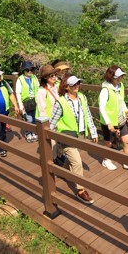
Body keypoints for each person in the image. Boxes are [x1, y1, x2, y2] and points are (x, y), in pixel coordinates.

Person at [49, 74, 98, 205]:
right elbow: (52, 122)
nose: (77, 86)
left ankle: (63, 172)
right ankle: (81, 190)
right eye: (73, 84)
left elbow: (87, 114)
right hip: (66, 136)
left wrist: (93, 132)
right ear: (66, 87)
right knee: (77, 162)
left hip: (81, 135)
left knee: (73, 159)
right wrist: (51, 138)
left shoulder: (82, 97)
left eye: (78, 83)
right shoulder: (61, 101)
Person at [99, 65, 128, 172]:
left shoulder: (120, 86)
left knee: (127, 141)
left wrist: (127, 112)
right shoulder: (105, 90)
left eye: (121, 76)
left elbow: (121, 101)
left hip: (120, 119)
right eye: (118, 77)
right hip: (110, 121)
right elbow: (101, 108)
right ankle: (106, 160)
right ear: (111, 77)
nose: (120, 78)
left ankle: (127, 162)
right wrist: (109, 123)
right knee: (109, 143)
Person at [36, 64, 65, 165]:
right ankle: (53, 161)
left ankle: (59, 156)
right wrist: (46, 125)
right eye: (51, 75)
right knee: (52, 142)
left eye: (55, 75)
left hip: (59, 120)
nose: (54, 77)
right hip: (50, 121)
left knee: (59, 141)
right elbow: (42, 110)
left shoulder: (56, 86)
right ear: (45, 77)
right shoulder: (42, 91)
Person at [15, 61, 39, 143]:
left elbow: (38, 88)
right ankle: (28, 133)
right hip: (26, 102)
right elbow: (18, 93)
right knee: (29, 119)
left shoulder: (34, 77)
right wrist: (20, 105)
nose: (29, 71)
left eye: (31, 69)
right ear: (24, 71)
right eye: (27, 70)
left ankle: (34, 132)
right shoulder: (20, 79)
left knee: (35, 118)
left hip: (35, 100)